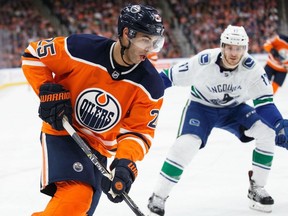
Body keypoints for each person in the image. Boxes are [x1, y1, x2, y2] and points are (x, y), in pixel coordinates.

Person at [21, 4, 165, 216]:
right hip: (63, 131)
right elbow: (33, 54)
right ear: (126, 34)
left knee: (82, 208)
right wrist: (46, 90)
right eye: (145, 40)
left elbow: (139, 132)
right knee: (77, 196)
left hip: (99, 149)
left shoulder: (151, 84)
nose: (149, 49)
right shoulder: (81, 48)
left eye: (155, 42)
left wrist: (124, 163)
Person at [147, 25, 288, 215]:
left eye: (238, 48)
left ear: (245, 49)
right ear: (222, 46)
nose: (233, 53)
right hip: (201, 108)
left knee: (268, 132)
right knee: (186, 145)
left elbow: (265, 104)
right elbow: (167, 78)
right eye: (229, 47)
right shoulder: (204, 61)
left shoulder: (252, 68)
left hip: (234, 109)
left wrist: (279, 124)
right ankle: (159, 196)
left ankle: (257, 188)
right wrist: (140, 94)